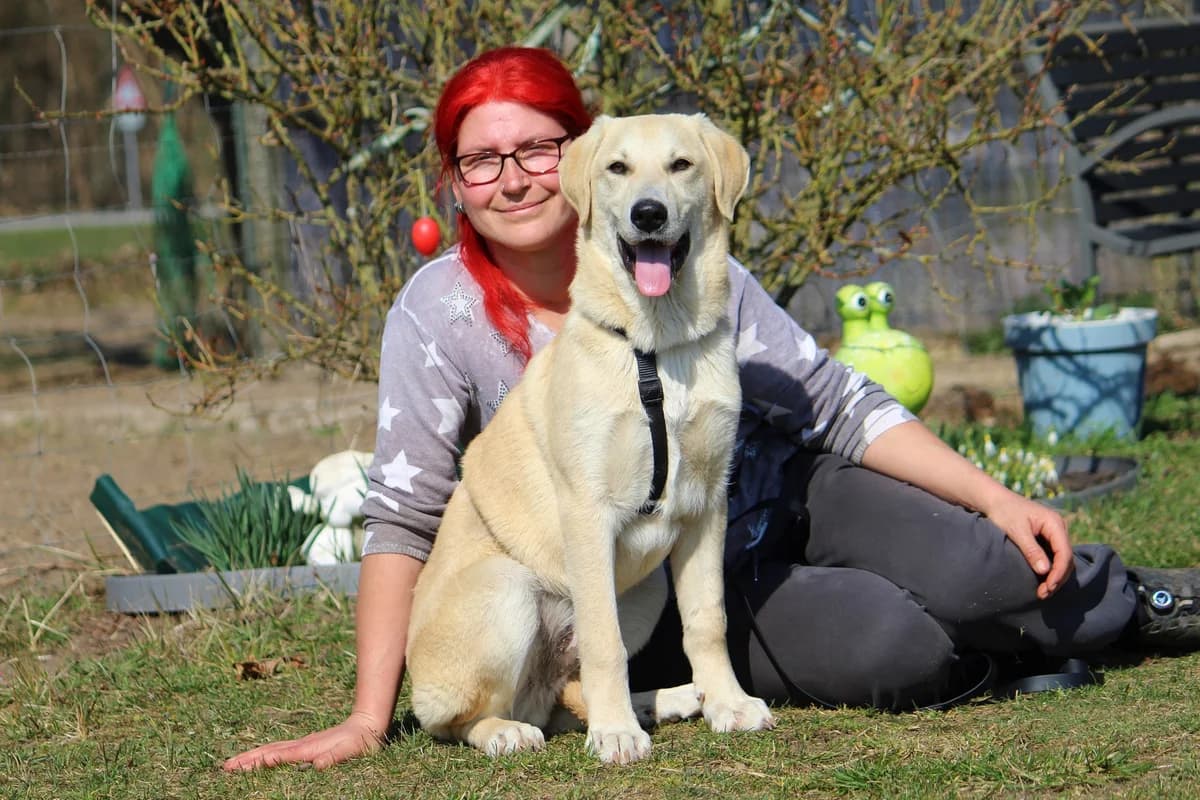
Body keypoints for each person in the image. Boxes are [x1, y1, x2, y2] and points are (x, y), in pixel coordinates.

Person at [224, 46, 1200, 771]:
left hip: (783, 491)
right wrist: (367, 712)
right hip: (663, 581)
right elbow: (405, 517)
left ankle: (1148, 601)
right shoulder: (438, 312)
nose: (515, 175)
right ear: (457, 182)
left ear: (573, 154)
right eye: (484, 160)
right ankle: (1001, 645)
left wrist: (994, 493)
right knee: (895, 644)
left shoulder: (699, 268)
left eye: (536, 148)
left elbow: (833, 398)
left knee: (986, 560)